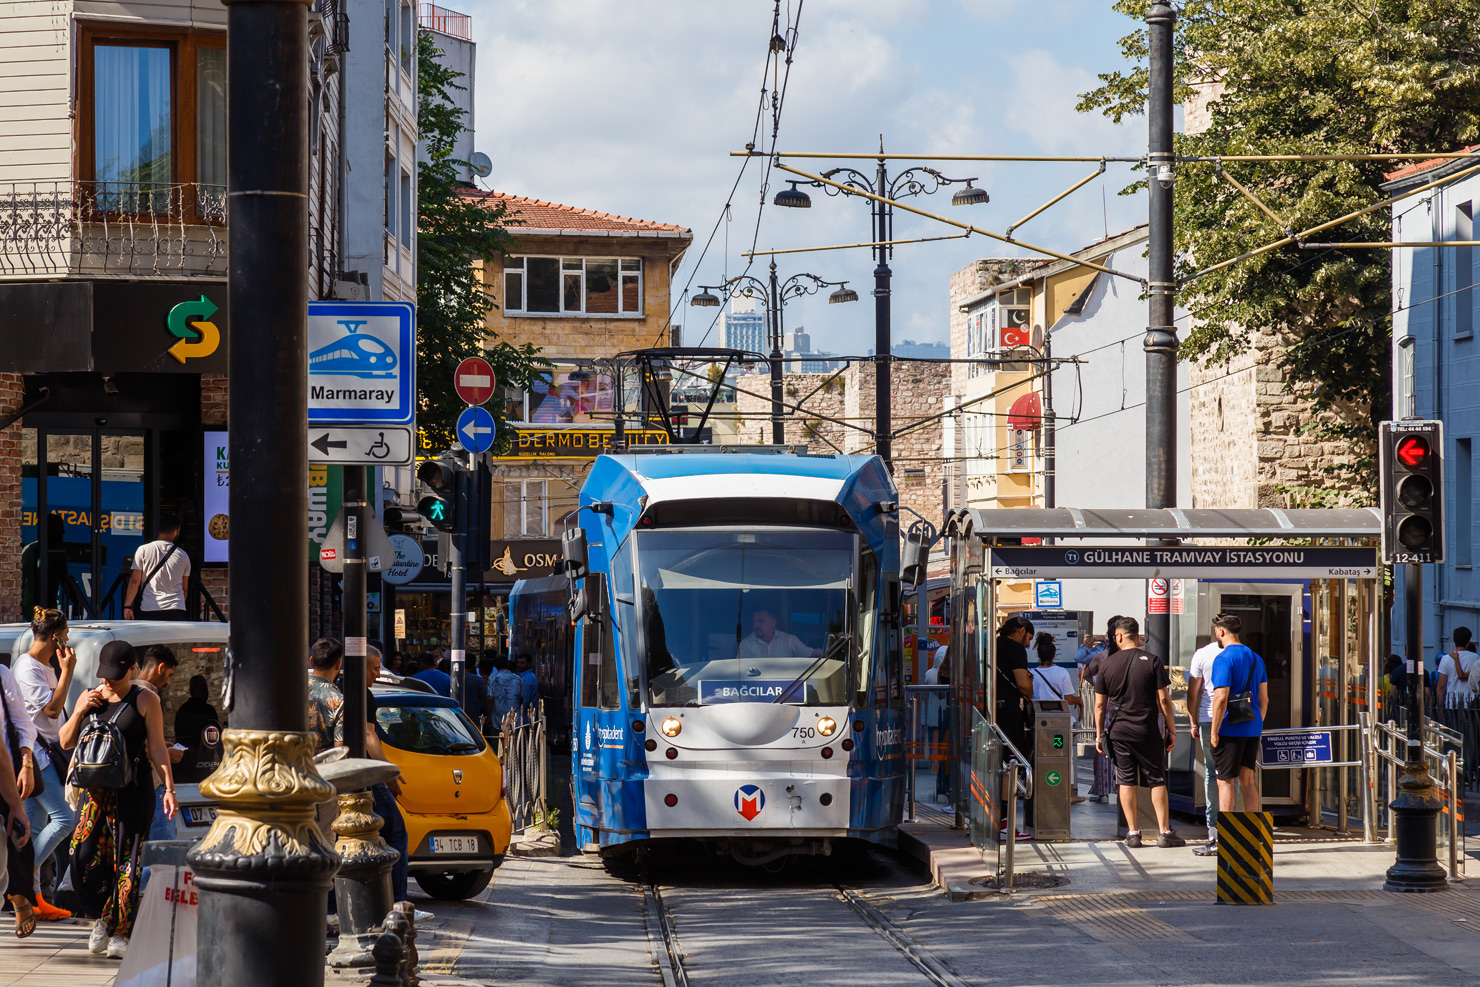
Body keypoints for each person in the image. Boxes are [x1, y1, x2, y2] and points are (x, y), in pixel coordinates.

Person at [62, 641, 177, 960]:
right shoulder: (91, 697)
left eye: (116, 675)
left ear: (132, 670)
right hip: (94, 793)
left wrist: (168, 787)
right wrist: (82, 708)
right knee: (81, 856)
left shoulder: (146, 699)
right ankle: (102, 916)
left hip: (133, 790)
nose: (109, 680)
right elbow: (66, 740)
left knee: (127, 862)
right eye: (106, 674)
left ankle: (120, 931)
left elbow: (156, 747)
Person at [1093, 616, 1185, 848]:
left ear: (1119, 636)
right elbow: (1164, 699)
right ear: (1138, 636)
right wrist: (1171, 729)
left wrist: (1098, 734)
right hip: (1147, 731)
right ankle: (1164, 831)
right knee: (1156, 780)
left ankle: (1133, 833)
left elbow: (1099, 705)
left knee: (1126, 780)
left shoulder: (1107, 664)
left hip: (1119, 732)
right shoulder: (1153, 661)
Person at [12, 607, 77, 920]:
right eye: (65, 636)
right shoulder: (28, 669)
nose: (68, 641)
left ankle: (33, 898)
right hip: (37, 758)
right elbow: (52, 711)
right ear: (55, 637)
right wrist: (68, 672)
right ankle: (26, 876)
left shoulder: (43, 665)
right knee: (66, 819)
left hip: (49, 753)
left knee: (34, 828)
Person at [1207, 613, 1269, 815]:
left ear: (1220, 631)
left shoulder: (1223, 659)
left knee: (1225, 781)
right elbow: (1264, 699)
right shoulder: (1255, 658)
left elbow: (1220, 698)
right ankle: (1252, 833)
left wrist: (1214, 731)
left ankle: (1226, 838)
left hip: (1229, 728)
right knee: (1248, 781)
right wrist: (1257, 722)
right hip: (1252, 728)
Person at [0, 658, 36, 938]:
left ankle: (21, 896)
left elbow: (23, 723)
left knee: (18, 838)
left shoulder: (2, 675)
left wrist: (26, 765)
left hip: (7, 771)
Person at [1030, 632, 1084, 803]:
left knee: (1042, 756)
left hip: (1040, 722)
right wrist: (1079, 701)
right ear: (1054, 654)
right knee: (1064, 756)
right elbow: (1068, 699)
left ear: (1039, 655)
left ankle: (1041, 790)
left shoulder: (1031, 674)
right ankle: (1069, 793)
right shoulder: (1061, 673)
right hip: (1059, 723)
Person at [996, 616, 1035, 841]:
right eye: (1028, 637)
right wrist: (1028, 689)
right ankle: (1005, 826)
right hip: (1010, 715)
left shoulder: (992, 646)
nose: (1028, 644)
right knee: (1010, 766)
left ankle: (993, 820)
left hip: (992, 712)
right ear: (1020, 631)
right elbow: (1023, 684)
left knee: (996, 764)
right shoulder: (1016, 649)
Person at [1185, 630, 1223, 855]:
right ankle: (1234, 828)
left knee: (1211, 772)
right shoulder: (1247, 654)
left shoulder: (1202, 654)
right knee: (1233, 775)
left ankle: (1214, 831)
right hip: (1237, 722)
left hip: (1208, 719)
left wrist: (1193, 721)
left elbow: (1192, 693)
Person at [1081, 616, 1121, 803]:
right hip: (1129, 708)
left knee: (1104, 748)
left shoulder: (1102, 656)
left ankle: (1102, 790)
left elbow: (1087, 675)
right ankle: (1125, 789)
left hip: (1106, 706)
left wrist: (1100, 688)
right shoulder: (1138, 654)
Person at [123, 514, 191, 620]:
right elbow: (184, 588)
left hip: (150, 607)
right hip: (176, 609)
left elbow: (135, 580)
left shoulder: (143, 550)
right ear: (175, 532)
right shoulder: (183, 556)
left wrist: (127, 606)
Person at [308, 638, 346, 753]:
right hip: (322, 769)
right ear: (339, 664)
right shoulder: (338, 700)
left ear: (311, 661)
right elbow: (339, 751)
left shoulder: (291, 690)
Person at [737, 609, 821, 659]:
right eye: (754, 621)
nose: (756, 625)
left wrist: (816, 652)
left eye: (761, 621)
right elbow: (740, 671)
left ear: (773, 623)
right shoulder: (746, 644)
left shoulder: (790, 640)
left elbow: (808, 654)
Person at [174, 675, 220, 750]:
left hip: (184, 756)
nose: (206, 692)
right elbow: (214, 740)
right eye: (204, 689)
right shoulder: (208, 711)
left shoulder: (181, 710)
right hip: (203, 756)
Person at [1436, 627, 1478, 708]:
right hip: (1471, 703)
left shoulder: (1446, 659)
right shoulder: (1475, 658)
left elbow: (1441, 685)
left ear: (1454, 641)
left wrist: (1439, 706)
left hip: (1451, 703)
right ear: (1468, 642)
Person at [488, 656, 523, 728]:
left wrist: (488, 716)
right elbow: (521, 697)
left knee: (497, 737)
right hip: (514, 718)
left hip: (498, 718)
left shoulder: (493, 678)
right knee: (514, 737)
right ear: (508, 664)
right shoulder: (517, 678)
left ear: (496, 666)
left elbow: (490, 698)